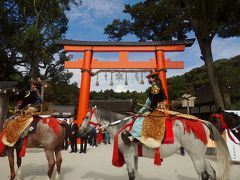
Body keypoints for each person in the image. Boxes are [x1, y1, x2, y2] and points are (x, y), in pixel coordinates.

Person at [121, 71, 166, 145]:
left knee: (140, 121)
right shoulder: (154, 87)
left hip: (157, 110)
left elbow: (154, 101)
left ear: (153, 79)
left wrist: (149, 110)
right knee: (139, 117)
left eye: (149, 78)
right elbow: (148, 103)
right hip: (155, 108)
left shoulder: (155, 88)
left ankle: (134, 138)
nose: (148, 79)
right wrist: (140, 111)